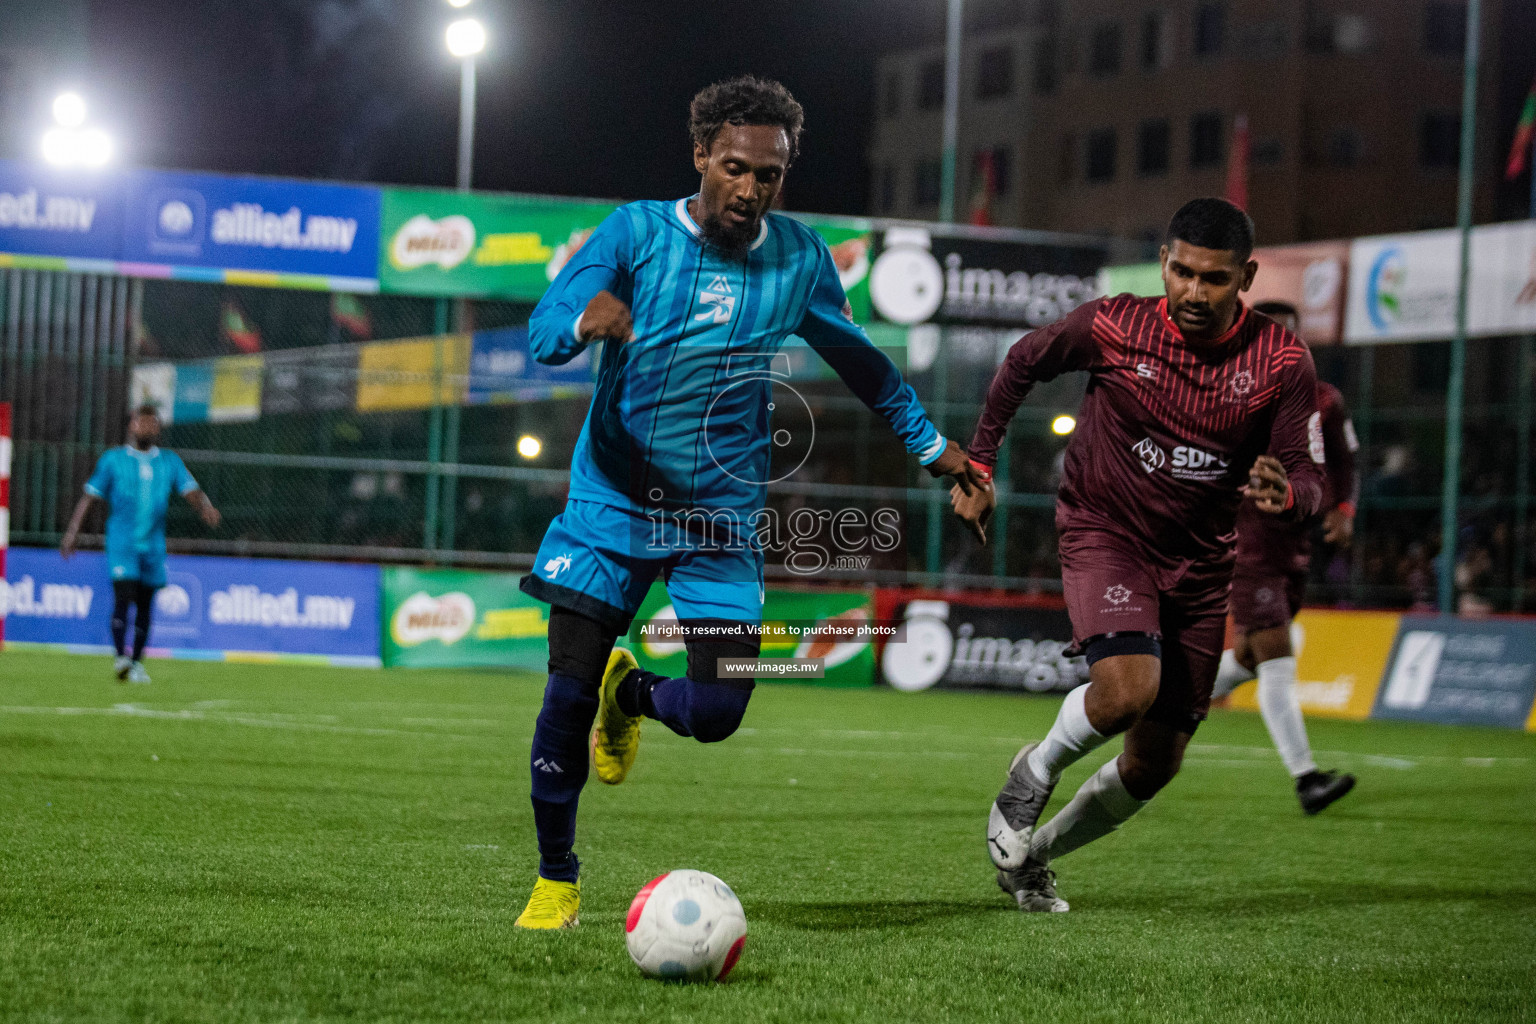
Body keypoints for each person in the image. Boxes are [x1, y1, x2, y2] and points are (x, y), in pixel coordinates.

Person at [512, 76, 985, 929]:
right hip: (609, 509)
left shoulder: (799, 258)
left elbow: (862, 363)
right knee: (563, 694)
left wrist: (934, 450)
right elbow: (547, 324)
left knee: (720, 714)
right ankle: (556, 878)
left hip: (718, 526)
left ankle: (636, 698)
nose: (751, 188)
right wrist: (586, 321)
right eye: (734, 167)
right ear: (700, 156)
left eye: (769, 175)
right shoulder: (635, 232)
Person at [952, 198, 1325, 913]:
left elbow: (1308, 476)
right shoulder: (1114, 323)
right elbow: (1023, 361)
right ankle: (1032, 772)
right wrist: (981, 464)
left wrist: (1290, 493)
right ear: (1163, 263)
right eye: (1180, 272)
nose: (1192, 291)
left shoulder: (1281, 362)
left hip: (1203, 564)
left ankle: (1034, 861)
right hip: (1106, 531)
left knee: (1154, 766)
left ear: (1245, 278)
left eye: (1213, 279)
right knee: (1127, 690)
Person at [1211, 301, 1360, 815]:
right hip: (1247, 546)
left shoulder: (1324, 399)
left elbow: (1345, 459)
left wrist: (1343, 508)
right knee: (1276, 659)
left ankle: (1157, 700)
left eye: (1290, 336)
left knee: (1250, 658)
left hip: (1295, 547)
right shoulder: (1231, 393)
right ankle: (1307, 780)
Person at [60, 405, 221, 683]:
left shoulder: (169, 461)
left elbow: (190, 490)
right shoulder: (113, 460)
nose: (146, 427)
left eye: (151, 422)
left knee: (146, 604)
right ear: (131, 425)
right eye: (141, 421)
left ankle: (135, 663)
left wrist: (205, 507)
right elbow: (90, 496)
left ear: (157, 428)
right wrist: (72, 531)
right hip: (122, 543)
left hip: (154, 546)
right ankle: (121, 657)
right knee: (123, 598)